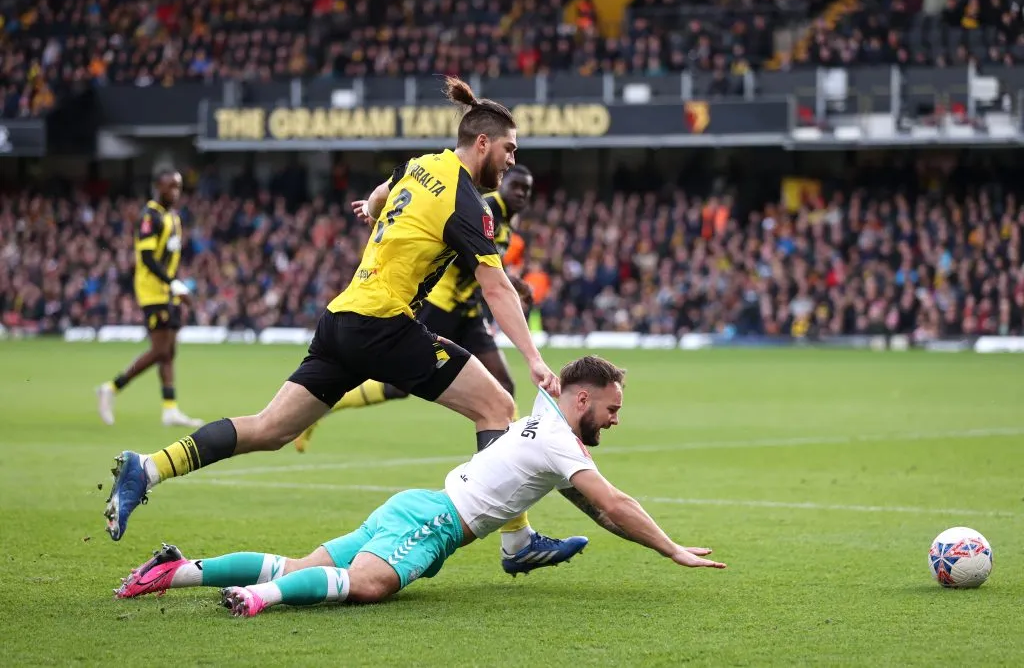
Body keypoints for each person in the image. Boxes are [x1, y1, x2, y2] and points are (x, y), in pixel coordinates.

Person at [103, 76, 583, 576]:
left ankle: (150, 467)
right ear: (482, 142)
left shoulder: (421, 166)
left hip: (341, 318)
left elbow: (379, 195)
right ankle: (516, 542)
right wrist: (533, 357)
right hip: (384, 324)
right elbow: (497, 287)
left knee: (269, 429)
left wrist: (371, 210)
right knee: (497, 405)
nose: (511, 161)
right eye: (509, 149)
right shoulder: (467, 202)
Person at [113, 356, 726, 617]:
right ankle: (257, 600)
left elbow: (602, 513)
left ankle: (177, 570)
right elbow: (614, 503)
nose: (616, 420)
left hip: (416, 506)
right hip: (433, 522)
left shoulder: (548, 418)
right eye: (612, 408)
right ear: (583, 398)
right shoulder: (560, 439)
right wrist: (672, 548)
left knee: (301, 565)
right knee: (371, 587)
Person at [290, 164, 547, 575]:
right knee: (401, 387)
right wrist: (512, 283)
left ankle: (516, 533)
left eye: (527, 189)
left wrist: (511, 279)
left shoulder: (506, 226)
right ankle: (318, 411)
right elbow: (471, 259)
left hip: (466, 311)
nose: (521, 193)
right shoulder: (486, 208)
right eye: (517, 184)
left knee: (503, 390)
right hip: (442, 306)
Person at [95, 170, 203, 428]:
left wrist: (177, 287)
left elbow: (170, 259)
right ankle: (111, 388)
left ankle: (170, 409)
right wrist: (173, 284)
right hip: (152, 292)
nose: (175, 192)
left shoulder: (174, 218)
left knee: (169, 351)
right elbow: (147, 258)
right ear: (158, 187)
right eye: (170, 187)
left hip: (168, 292)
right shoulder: (149, 217)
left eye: (178, 187)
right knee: (160, 350)